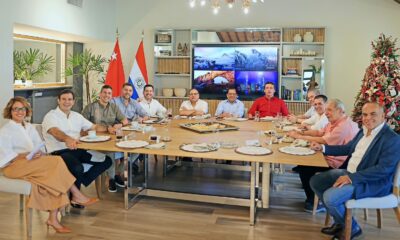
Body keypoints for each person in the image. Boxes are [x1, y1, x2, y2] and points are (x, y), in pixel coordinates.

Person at [0, 97, 98, 233]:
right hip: (12, 166)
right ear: (10, 111)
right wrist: (26, 154)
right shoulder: (6, 130)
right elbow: (5, 156)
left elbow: (38, 145)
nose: (19, 112)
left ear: (26, 110)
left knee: (53, 179)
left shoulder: (29, 127)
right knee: (58, 161)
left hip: (30, 162)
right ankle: (76, 194)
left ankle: (53, 218)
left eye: (22, 108)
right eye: (15, 109)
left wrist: (39, 153)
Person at [310, 102, 400, 240]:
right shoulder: (363, 131)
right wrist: (322, 148)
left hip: (370, 182)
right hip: (350, 174)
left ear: (383, 116)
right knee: (316, 181)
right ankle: (342, 222)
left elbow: (384, 169)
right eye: (365, 114)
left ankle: (352, 228)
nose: (367, 118)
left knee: (330, 197)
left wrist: (351, 178)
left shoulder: (392, 139)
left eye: (373, 114)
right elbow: (347, 148)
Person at [42, 90, 112, 209]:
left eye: (69, 99)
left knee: (106, 160)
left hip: (77, 150)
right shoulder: (51, 115)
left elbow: (94, 127)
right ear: (58, 100)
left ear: (73, 102)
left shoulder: (76, 116)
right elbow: (55, 131)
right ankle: (76, 196)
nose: (66, 102)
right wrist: (67, 139)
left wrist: (109, 128)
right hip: (58, 153)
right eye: (63, 99)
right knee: (77, 167)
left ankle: (75, 188)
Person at [287, 99, 359, 212]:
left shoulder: (343, 126)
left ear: (340, 111)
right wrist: (301, 133)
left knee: (305, 168)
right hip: (329, 155)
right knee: (303, 165)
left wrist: (299, 137)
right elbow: (319, 132)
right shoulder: (334, 121)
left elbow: (324, 140)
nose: (326, 113)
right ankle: (312, 195)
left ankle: (316, 201)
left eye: (329, 110)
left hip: (339, 163)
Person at [82, 85, 129, 192]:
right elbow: (82, 124)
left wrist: (120, 125)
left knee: (134, 151)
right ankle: (111, 179)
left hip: (111, 137)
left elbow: (125, 121)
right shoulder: (90, 107)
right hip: (95, 140)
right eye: (104, 93)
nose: (106, 95)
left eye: (109, 93)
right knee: (110, 151)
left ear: (111, 96)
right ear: (100, 94)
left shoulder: (114, 107)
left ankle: (117, 173)